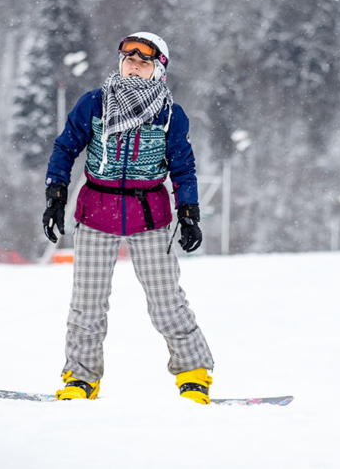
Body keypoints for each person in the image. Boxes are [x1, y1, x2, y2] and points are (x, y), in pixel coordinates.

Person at [42, 32, 214, 403]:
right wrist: (55, 192)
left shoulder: (170, 114)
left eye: (145, 61)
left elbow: (183, 167)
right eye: (129, 59)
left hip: (149, 216)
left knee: (167, 302)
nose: (134, 65)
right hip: (96, 212)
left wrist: (189, 210)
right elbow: (65, 146)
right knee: (87, 304)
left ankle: (194, 374)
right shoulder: (96, 104)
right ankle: (80, 378)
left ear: (159, 71)